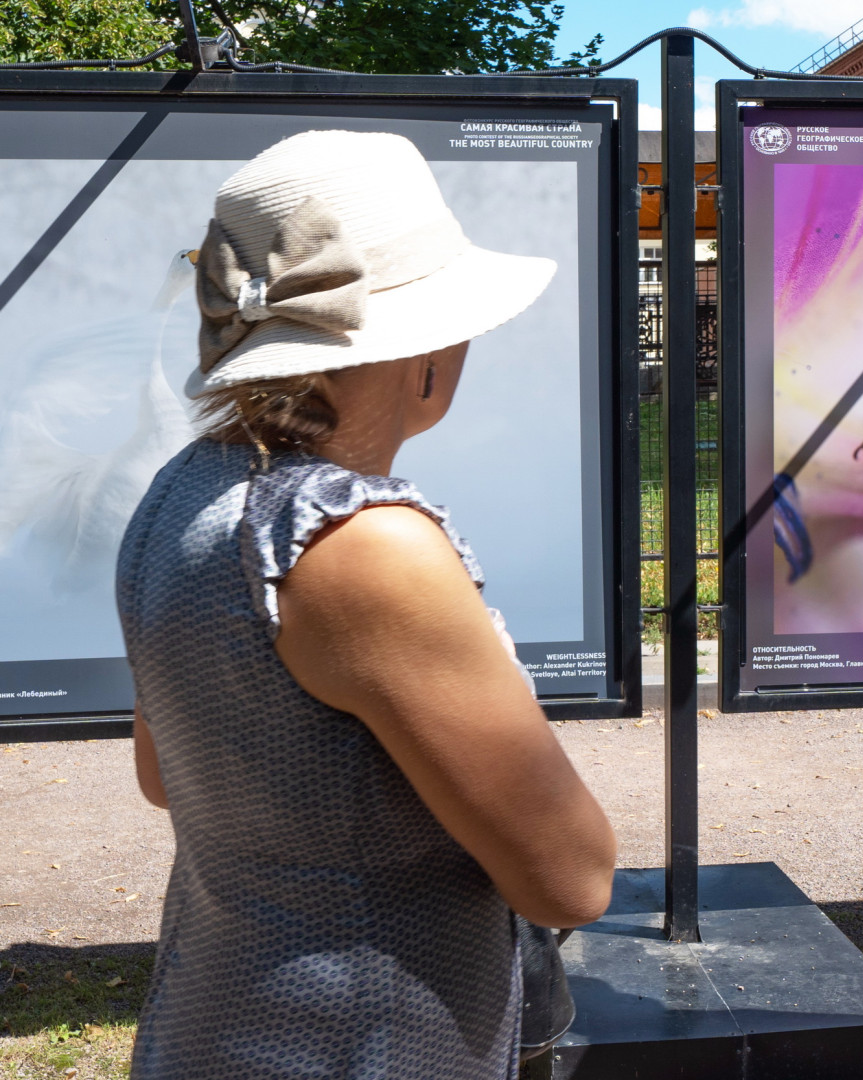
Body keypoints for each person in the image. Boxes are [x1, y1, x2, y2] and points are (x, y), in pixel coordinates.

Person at [116, 130, 616, 1079]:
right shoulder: (367, 544)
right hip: (372, 1043)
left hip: (209, 1023)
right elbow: (571, 877)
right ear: (420, 352)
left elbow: (163, 775)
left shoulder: (180, 497)